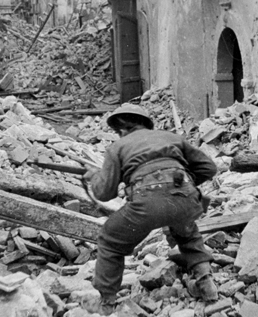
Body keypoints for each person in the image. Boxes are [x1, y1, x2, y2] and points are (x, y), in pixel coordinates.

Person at [83, 103, 219, 315]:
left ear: (121, 129)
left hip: (146, 202)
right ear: (146, 124)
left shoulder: (117, 147)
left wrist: (94, 178)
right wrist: (187, 186)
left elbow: (104, 194)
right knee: (187, 233)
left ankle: (107, 303)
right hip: (186, 196)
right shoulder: (171, 137)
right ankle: (206, 283)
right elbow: (209, 168)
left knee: (110, 240)